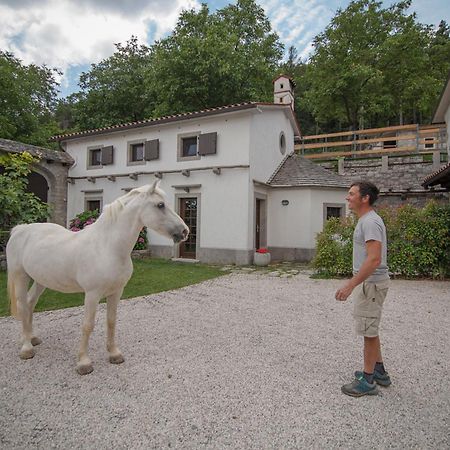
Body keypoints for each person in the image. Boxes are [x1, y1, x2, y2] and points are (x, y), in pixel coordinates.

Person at [335, 181, 391, 397]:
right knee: (370, 328)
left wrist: (350, 284)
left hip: (371, 284)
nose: (347, 198)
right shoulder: (367, 221)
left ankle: (367, 381)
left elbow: (374, 258)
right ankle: (379, 371)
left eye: (351, 194)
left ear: (364, 198)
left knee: (368, 330)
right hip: (371, 283)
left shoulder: (370, 222)